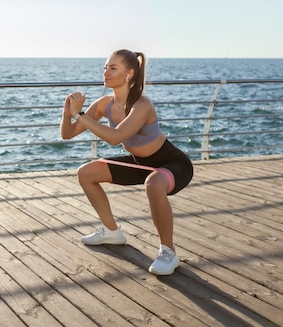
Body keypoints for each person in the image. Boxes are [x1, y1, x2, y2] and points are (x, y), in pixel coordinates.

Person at [60, 49, 193, 275]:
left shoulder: (142, 105)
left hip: (172, 163)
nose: (106, 72)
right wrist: (67, 113)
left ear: (129, 74)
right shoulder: (104, 104)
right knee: (86, 173)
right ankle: (111, 231)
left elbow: (114, 138)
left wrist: (79, 114)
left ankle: (168, 252)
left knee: (153, 183)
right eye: (105, 67)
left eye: (113, 68)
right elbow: (68, 134)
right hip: (139, 162)